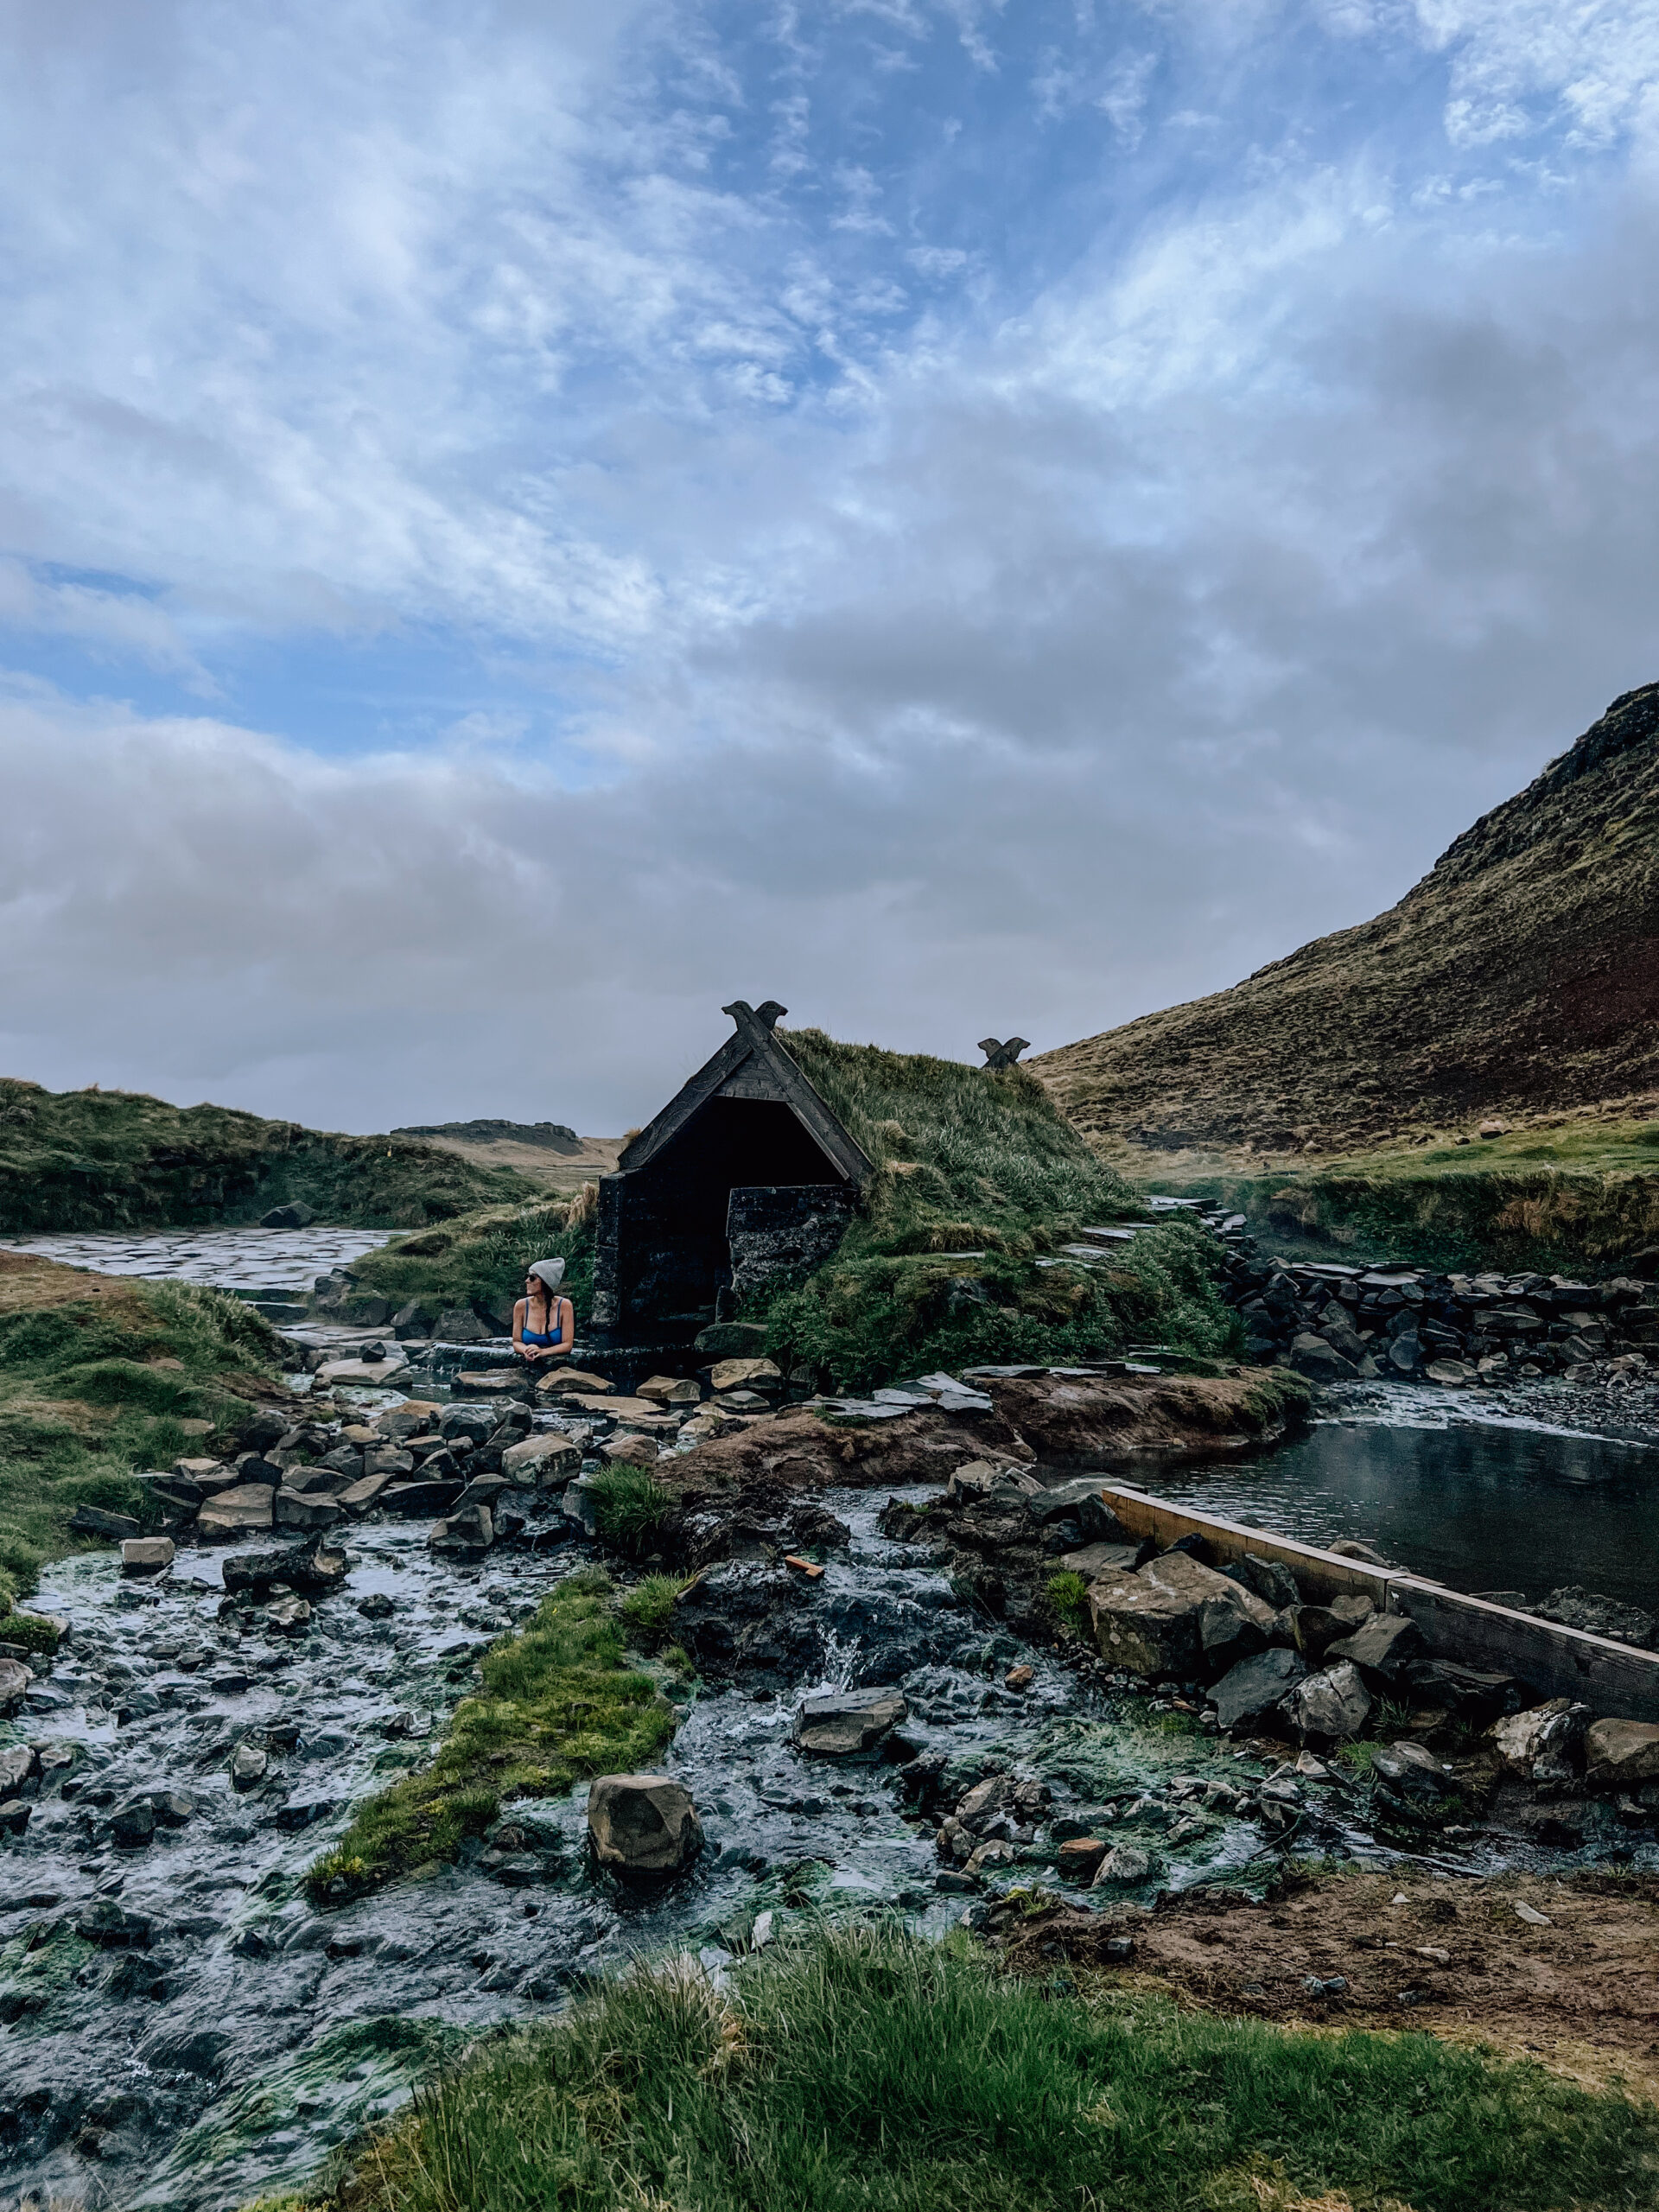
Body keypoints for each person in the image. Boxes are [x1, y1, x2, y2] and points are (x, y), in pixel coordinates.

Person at [512, 1257, 574, 1367]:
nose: (527, 1281)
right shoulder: (521, 1306)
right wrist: (526, 1350)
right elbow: (516, 1342)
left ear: (545, 1282)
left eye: (532, 1278)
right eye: (527, 1276)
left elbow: (568, 1345)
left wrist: (543, 1352)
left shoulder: (564, 1306)